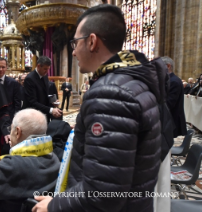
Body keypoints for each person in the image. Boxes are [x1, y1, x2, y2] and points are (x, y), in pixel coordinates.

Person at [33, 5, 162, 212]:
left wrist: (55, 205)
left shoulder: (109, 92)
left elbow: (102, 193)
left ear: (92, 41)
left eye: (75, 43)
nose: (73, 51)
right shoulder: (132, 81)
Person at [0, 58, 21, 154]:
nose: (0, 69)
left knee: (7, 144)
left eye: (3, 67)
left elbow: (17, 104)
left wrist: (14, 119)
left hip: (10, 119)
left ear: (6, 68)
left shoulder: (13, 83)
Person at [23, 56, 62, 122]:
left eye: (48, 69)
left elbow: (45, 94)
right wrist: (51, 110)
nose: (47, 71)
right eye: (45, 69)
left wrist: (53, 102)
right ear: (38, 66)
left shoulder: (44, 75)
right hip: (34, 115)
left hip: (45, 113)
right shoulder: (30, 79)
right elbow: (32, 102)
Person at [162, 56, 187, 138]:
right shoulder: (170, 80)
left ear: (168, 66)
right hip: (169, 120)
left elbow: (169, 103)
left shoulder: (174, 81)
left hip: (172, 120)